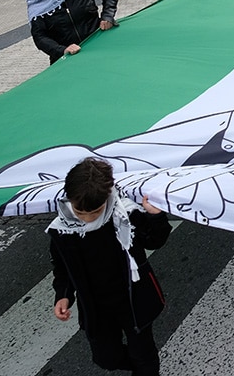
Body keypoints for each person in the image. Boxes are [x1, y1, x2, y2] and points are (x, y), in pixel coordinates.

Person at [49, 157, 172, 376]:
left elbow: (154, 240)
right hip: (97, 307)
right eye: (81, 211)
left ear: (107, 197)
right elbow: (62, 266)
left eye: (95, 212)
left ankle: (146, 369)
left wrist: (156, 217)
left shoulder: (125, 215)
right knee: (106, 358)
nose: (87, 219)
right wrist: (64, 294)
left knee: (142, 353)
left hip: (133, 300)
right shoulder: (63, 228)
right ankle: (144, 368)